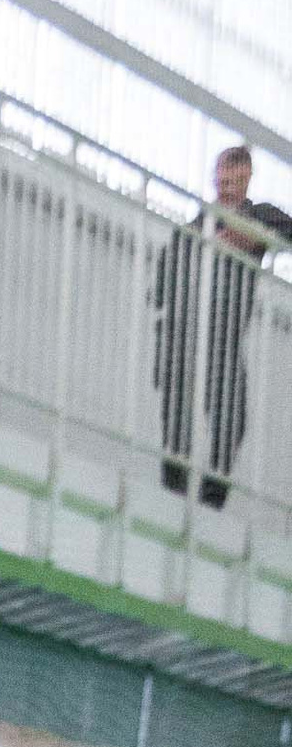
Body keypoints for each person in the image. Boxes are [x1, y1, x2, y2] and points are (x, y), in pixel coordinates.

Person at [151, 144, 292, 507]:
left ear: (247, 179)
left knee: (230, 420)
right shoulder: (196, 225)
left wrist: (252, 235)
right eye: (222, 179)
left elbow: (287, 231)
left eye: (234, 179)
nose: (226, 187)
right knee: (177, 413)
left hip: (224, 337)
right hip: (184, 332)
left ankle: (210, 501)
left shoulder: (258, 215)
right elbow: (165, 278)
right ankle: (174, 491)